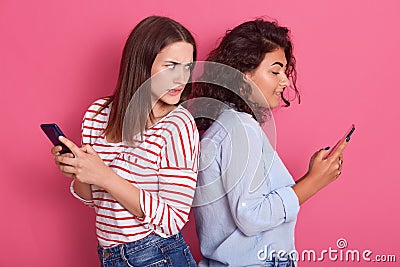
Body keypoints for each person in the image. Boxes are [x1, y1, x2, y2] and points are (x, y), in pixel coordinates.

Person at [191, 19, 348, 266]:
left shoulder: (229, 125)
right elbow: (250, 216)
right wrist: (314, 182)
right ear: (243, 74)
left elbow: (253, 207)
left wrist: (311, 177)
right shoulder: (240, 129)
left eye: (285, 71)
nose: (285, 81)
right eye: (275, 71)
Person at [51, 16, 199, 266]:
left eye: (187, 67)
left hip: (158, 254)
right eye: (171, 65)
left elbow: (173, 219)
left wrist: (104, 176)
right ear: (141, 64)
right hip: (110, 255)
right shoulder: (98, 114)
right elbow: (95, 200)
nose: (180, 79)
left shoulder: (179, 124)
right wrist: (79, 171)